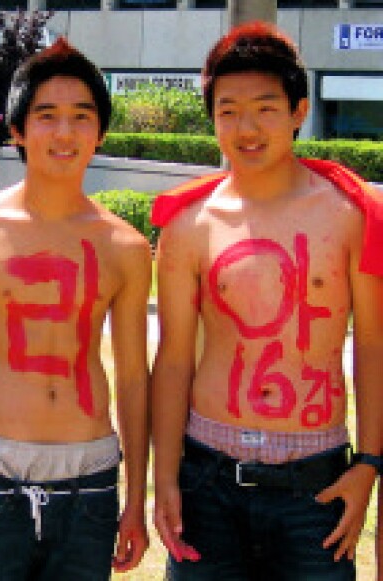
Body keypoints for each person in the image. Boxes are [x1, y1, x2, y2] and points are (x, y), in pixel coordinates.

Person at [151, 22, 383, 581]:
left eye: (264, 108)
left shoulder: (351, 215)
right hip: (206, 480)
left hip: (316, 484)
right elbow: (175, 358)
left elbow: (373, 346)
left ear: (299, 111)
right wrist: (164, 478)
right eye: (228, 110)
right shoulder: (187, 225)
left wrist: (369, 465)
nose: (246, 128)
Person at [0, 38, 151, 579]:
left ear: (101, 131)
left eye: (81, 117)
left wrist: (135, 498)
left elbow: (136, 378)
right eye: (46, 116)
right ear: (18, 130)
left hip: (90, 480)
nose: (64, 133)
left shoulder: (126, 248)